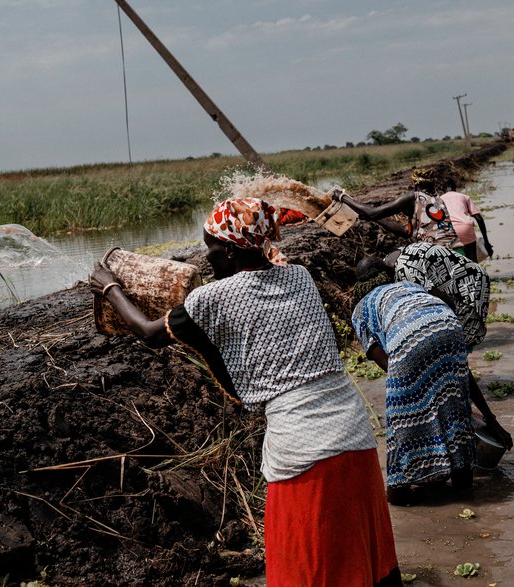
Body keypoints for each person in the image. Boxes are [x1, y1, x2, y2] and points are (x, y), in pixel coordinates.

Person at [89, 197, 402, 587]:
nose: (208, 258)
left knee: (310, 563)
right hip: (355, 435)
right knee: (361, 556)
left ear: (233, 250)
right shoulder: (300, 277)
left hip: (302, 448)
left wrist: (111, 289)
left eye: (212, 249)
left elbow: (151, 334)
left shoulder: (210, 299)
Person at [350, 273, 511, 504]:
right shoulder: (409, 286)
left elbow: (389, 365)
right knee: (456, 415)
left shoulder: (361, 309)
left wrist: (420, 398)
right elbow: (463, 373)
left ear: (359, 288)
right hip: (448, 323)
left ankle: (400, 492)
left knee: (402, 424)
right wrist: (490, 418)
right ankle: (463, 487)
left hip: (410, 338)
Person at [361, 241, 490, 350]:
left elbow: (444, 303)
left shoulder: (406, 272)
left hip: (470, 285)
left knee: (457, 344)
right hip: (459, 280)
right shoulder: (388, 260)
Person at [334, 187, 462, 250]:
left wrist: (342, 197)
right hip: (456, 249)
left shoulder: (413, 197)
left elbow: (372, 212)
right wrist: (376, 219)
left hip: (440, 252)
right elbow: (405, 232)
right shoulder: (436, 201)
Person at [440, 177, 494, 262]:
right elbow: (479, 219)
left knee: (452, 261)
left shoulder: (439, 200)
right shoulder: (464, 197)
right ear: (455, 188)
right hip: (465, 227)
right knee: (472, 260)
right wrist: (486, 242)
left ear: (442, 189)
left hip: (450, 230)